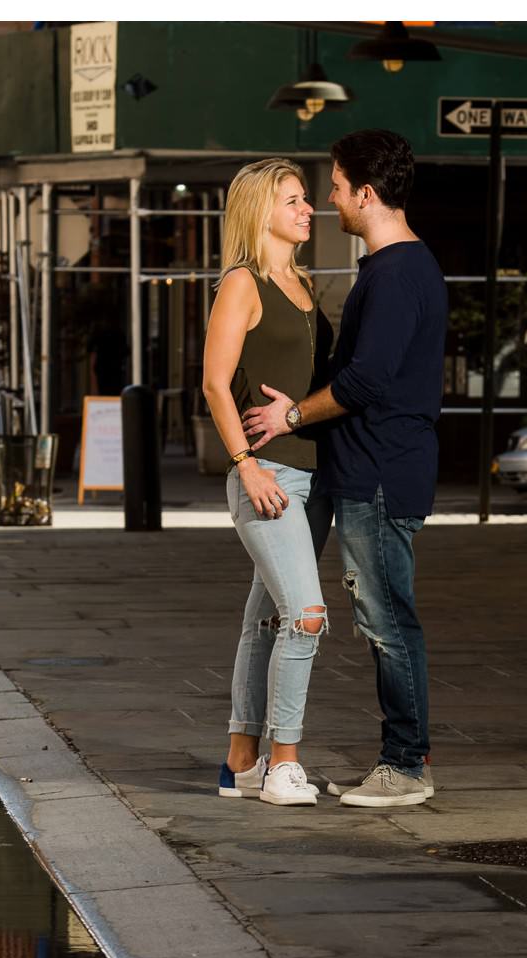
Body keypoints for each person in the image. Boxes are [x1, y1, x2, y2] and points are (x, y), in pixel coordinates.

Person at [244, 129, 448, 808]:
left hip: (381, 474)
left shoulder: (395, 273)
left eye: (333, 186)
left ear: (365, 193)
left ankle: (405, 765)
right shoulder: (394, 269)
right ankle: (390, 760)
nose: (328, 199)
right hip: (372, 471)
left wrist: (291, 417)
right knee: (378, 618)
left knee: (387, 622)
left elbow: (364, 380)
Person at [202, 158, 334, 807]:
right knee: (306, 618)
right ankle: (285, 762)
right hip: (267, 477)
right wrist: (244, 464)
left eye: (306, 199)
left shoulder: (304, 284)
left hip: (309, 478)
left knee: (264, 625)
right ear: (260, 212)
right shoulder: (242, 283)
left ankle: (240, 762)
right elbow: (214, 382)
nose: (306, 209)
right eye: (291, 200)